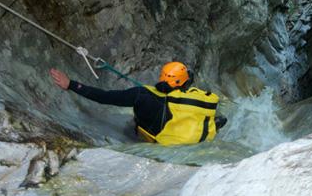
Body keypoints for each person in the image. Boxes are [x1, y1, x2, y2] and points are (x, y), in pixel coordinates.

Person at [49, 61, 225, 144]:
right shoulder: (190, 98)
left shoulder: (141, 94)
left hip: (149, 139)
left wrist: (71, 84)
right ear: (184, 83)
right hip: (183, 140)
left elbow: (105, 97)